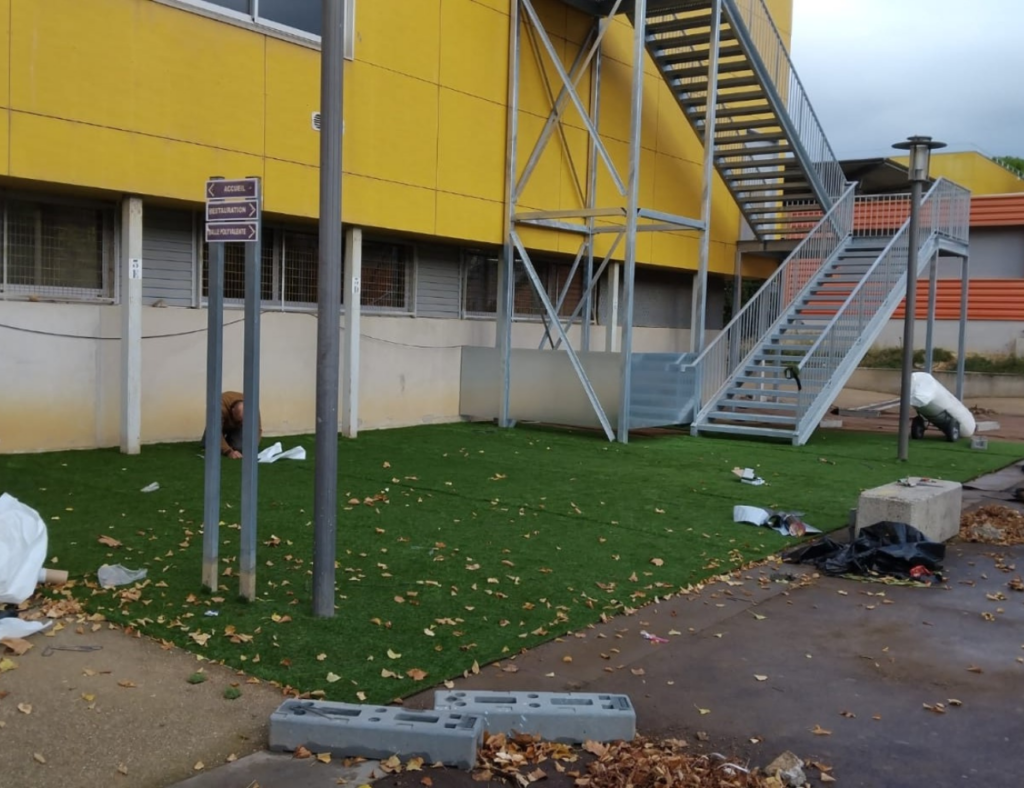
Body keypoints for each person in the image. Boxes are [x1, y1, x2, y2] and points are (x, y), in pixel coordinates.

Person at [201, 391, 262, 459]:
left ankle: (229, 442)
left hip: (237, 427)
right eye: (240, 420)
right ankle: (218, 443)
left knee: (241, 447)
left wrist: (252, 447)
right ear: (232, 411)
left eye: (244, 421)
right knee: (209, 445)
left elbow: (257, 429)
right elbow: (215, 432)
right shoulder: (219, 405)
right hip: (220, 424)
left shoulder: (252, 407)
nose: (242, 423)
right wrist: (228, 451)